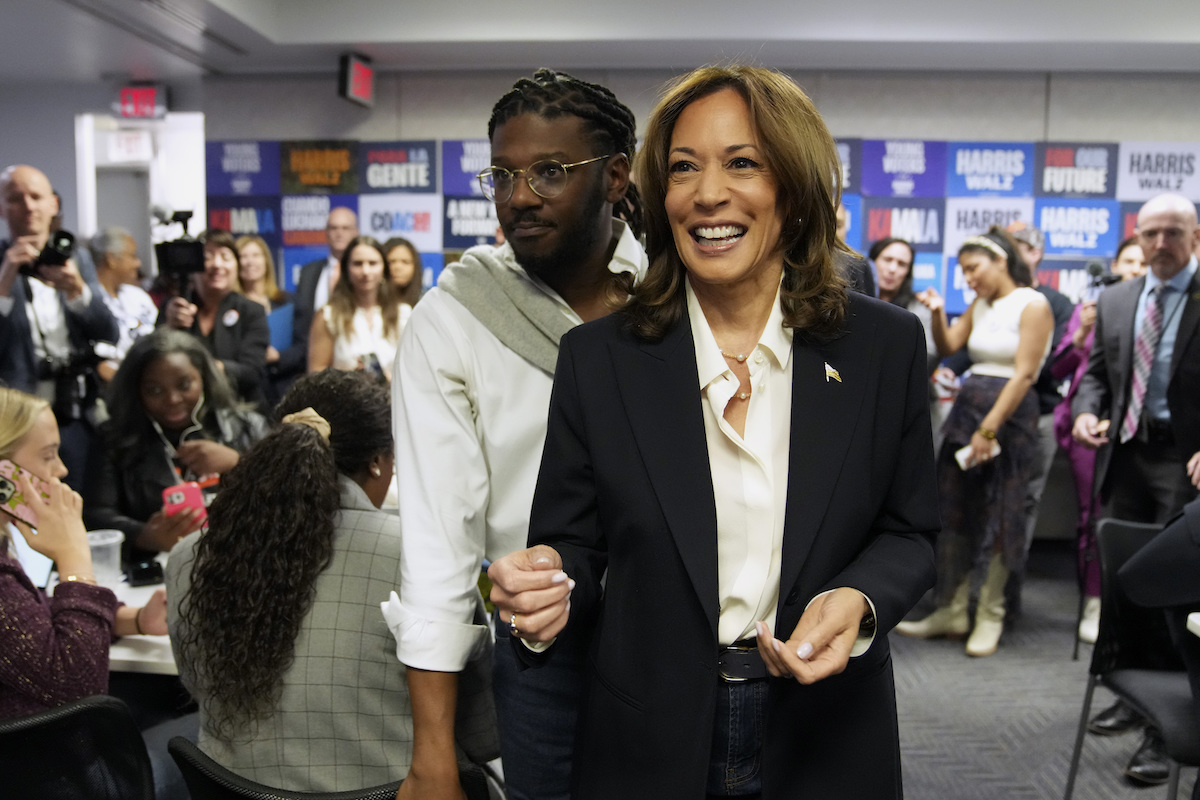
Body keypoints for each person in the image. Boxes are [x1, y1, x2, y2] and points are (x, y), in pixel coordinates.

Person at [487, 65, 939, 799]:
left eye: (742, 164)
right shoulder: (600, 360)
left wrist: (860, 597)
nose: (706, 194)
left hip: (829, 730)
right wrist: (549, 588)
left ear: (792, 191)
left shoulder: (882, 347)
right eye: (683, 169)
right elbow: (576, 547)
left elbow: (912, 531)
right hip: (646, 737)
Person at [386, 68, 646, 800]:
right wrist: (433, 753)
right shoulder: (455, 317)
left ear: (616, 176)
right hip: (542, 653)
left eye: (550, 173)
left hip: (679, 640)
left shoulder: (674, 292)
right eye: (501, 175)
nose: (518, 197)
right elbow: (438, 543)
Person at [166, 370, 415, 791]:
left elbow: (197, 682)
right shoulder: (416, 558)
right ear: (378, 460)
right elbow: (480, 726)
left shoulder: (190, 555)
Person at [1071, 192, 1200, 785]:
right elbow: (1096, 373)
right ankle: (1135, 693)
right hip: (1123, 451)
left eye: (1173, 233)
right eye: (1150, 234)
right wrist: (1085, 412)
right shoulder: (1119, 296)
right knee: (1125, 575)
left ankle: (1164, 725)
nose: (1160, 245)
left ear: (1194, 237)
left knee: (1172, 586)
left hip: (1185, 456)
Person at [898, 227, 1053, 657]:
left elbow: (1024, 373)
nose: (968, 278)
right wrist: (938, 312)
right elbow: (949, 346)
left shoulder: (1033, 303)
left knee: (1003, 514)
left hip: (1009, 416)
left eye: (973, 268)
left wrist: (989, 429)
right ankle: (950, 609)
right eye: (963, 271)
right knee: (953, 509)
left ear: (1000, 260)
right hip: (968, 412)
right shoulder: (980, 303)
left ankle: (990, 614)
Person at [83, 328, 269, 563]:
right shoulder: (112, 439)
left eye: (184, 385)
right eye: (155, 390)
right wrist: (144, 536)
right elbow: (96, 515)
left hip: (246, 563)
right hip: (158, 573)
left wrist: (239, 463)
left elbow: (288, 500)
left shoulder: (247, 427)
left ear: (203, 377)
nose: (172, 399)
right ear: (136, 390)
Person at [1049, 236, 1144, 643]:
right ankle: (1093, 599)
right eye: (1129, 260)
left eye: (1142, 261)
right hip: (1090, 422)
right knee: (1093, 514)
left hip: (1142, 429)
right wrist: (1082, 334)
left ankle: (1134, 601)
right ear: (1116, 265)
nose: (1136, 267)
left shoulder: (1168, 305)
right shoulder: (1097, 307)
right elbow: (1060, 368)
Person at [0, 165, 118, 489]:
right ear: (1, 206)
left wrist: (78, 291)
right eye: (15, 198)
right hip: (14, 420)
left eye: (36, 197)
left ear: (53, 204)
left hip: (75, 413)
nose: (28, 206)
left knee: (79, 496)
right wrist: (4, 282)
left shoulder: (76, 258)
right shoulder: (1, 264)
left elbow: (109, 333)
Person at [161, 229, 270, 405]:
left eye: (225, 257)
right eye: (207, 257)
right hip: (181, 407)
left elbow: (252, 372)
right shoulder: (174, 307)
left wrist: (203, 369)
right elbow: (154, 360)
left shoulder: (251, 311)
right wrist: (169, 328)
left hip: (238, 407)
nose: (217, 265)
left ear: (236, 266)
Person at [308, 235, 401, 380]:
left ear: (384, 269)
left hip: (393, 400)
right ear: (346, 270)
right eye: (358, 263)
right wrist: (350, 376)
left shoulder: (403, 314)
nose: (365, 271)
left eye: (373, 263)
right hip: (345, 399)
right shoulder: (329, 316)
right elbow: (315, 372)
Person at [286, 207, 358, 383]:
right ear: (326, 233)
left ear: (355, 232)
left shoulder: (365, 274)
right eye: (333, 228)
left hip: (353, 360)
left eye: (345, 228)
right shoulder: (308, 272)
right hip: (312, 364)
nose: (339, 233)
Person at [90, 227, 157, 382]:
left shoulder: (138, 296)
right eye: (132, 256)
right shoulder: (89, 301)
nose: (138, 263)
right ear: (111, 259)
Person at [871, 236, 939, 374]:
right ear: (872, 262)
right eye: (887, 260)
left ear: (908, 272)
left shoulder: (918, 309)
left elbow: (929, 356)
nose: (892, 269)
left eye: (901, 264)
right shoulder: (853, 303)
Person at [383, 236, 423, 313]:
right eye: (391, 261)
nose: (398, 267)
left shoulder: (425, 306)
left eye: (405, 262)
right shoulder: (371, 307)